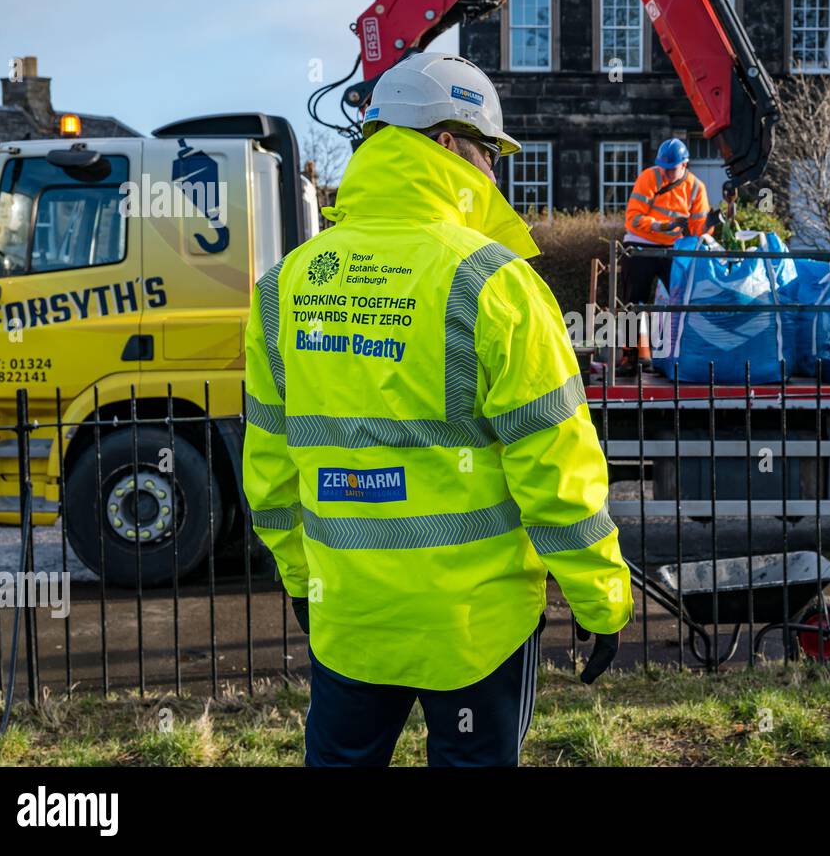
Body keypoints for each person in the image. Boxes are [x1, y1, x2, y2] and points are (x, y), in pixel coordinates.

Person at [242, 51, 633, 767]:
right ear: (448, 144)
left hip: (352, 619)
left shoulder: (285, 287)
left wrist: (304, 583)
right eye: (488, 153)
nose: (494, 174)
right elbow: (557, 468)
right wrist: (601, 599)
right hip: (473, 630)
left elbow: (268, 472)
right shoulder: (496, 284)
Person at [618, 137, 714, 375]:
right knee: (633, 302)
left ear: (685, 164)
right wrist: (663, 226)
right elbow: (633, 219)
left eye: (672, 169)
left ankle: (674, 355)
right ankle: (631, 358)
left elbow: (698, 230)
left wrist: (713, 223)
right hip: (640, 245)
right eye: (664, 167)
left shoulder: (695, 188)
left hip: (674, 250)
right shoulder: (649, 178)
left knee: (681, 302)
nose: (667, 173)